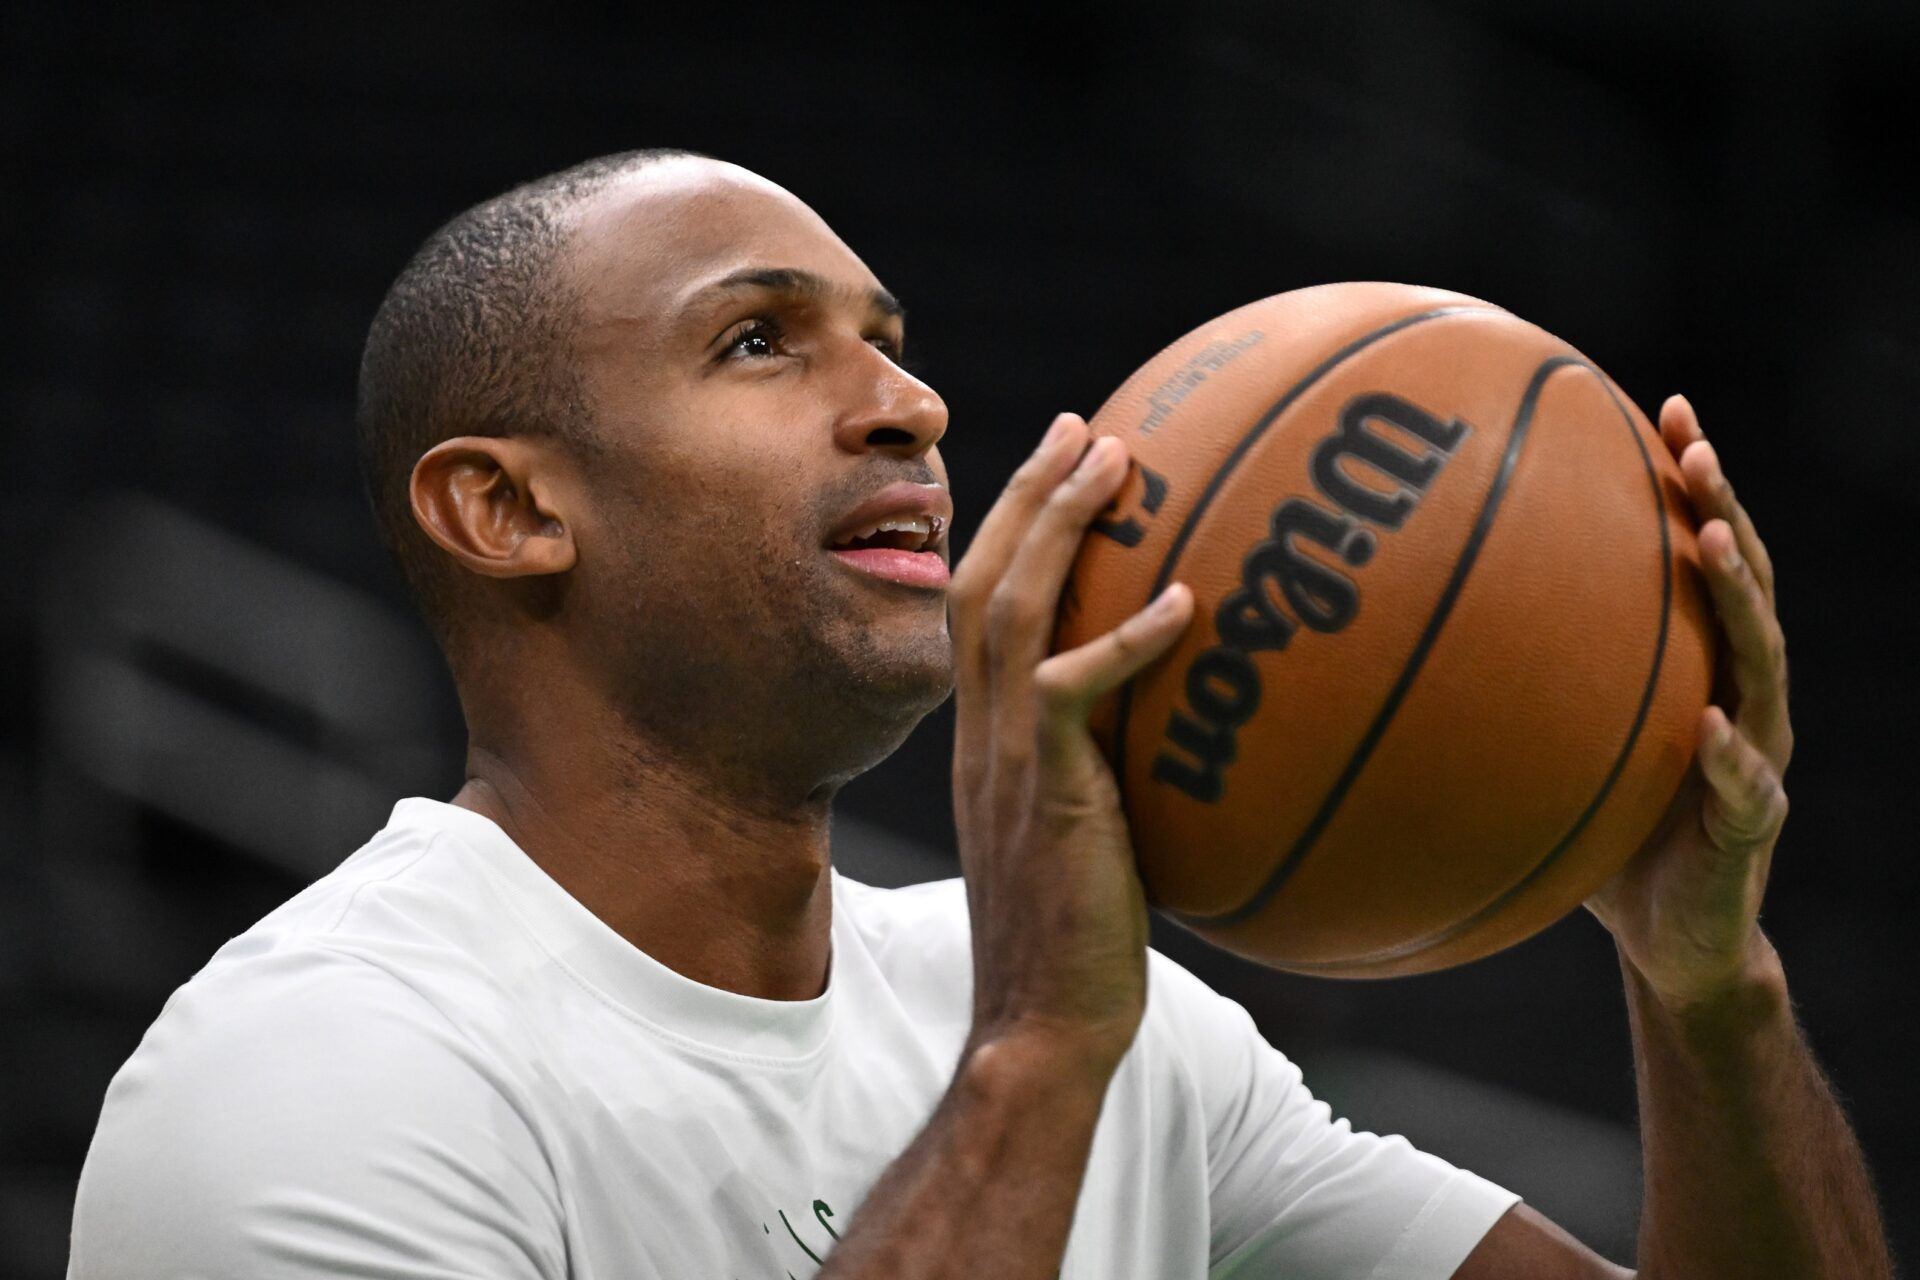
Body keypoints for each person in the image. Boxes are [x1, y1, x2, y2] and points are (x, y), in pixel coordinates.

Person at [67, 149, 1892, 1279]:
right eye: (764, 340)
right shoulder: (315, 1083)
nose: (912, 405)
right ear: (511, 510)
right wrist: (1030, 1064)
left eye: (893, 336)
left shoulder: (1116, 1036)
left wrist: (1701, 979)